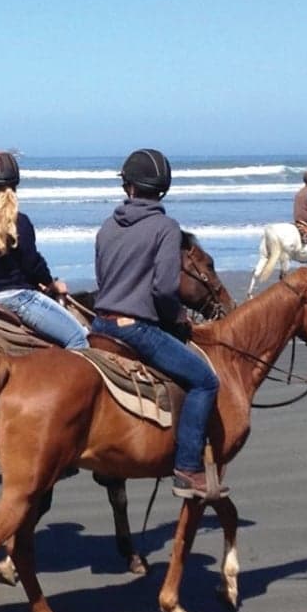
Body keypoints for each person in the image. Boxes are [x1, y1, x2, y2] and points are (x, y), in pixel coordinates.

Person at [90, 149, 226, 500]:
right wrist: (175, 317)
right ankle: (186, 469)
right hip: (136, 329)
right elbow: (165, 289)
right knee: (205, 381)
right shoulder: (166, 228)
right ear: (161, 189)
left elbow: (102, 278)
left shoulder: (107, 226)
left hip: (99, 325)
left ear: (129, 186)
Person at [0, 150, 89, 349]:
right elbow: (33, 264)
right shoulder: (19, 223)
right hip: (19, 300)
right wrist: (52, 283)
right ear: (14, 184)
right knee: (78, 338)